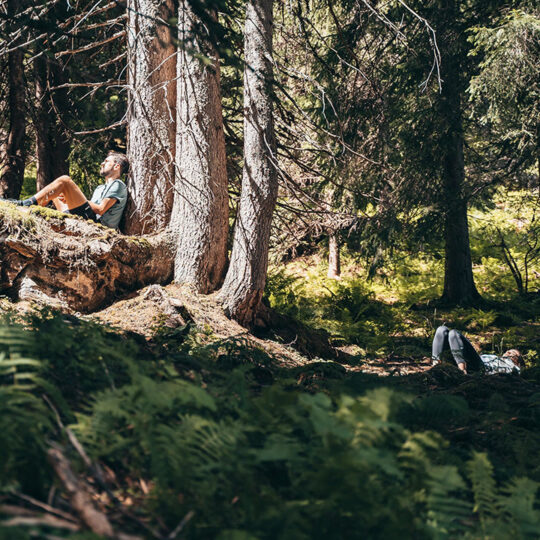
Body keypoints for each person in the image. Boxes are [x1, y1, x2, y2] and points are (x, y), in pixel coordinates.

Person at [4, 152, 129, 229]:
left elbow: (101, 210)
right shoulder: (100, 187)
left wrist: (80, 199)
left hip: (99, 225)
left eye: (107, 161)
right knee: (58, 193)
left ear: (116, 166)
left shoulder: (118, 185)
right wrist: (70, 199)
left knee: (65, 181)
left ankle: (25, 204)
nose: (102, 163)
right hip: (87, 217)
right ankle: (28, 211)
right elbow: (89, 207)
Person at [431, 325, 523, 375]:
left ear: (517, 360)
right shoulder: (495, 357)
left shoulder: (512, 366)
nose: (508, 352)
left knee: (453, 333)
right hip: (465, 359)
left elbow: (518, 372)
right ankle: (435, 364)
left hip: (479, 367)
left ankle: (462, 371)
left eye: (513, 353)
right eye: (508, 351)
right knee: (441, 329)